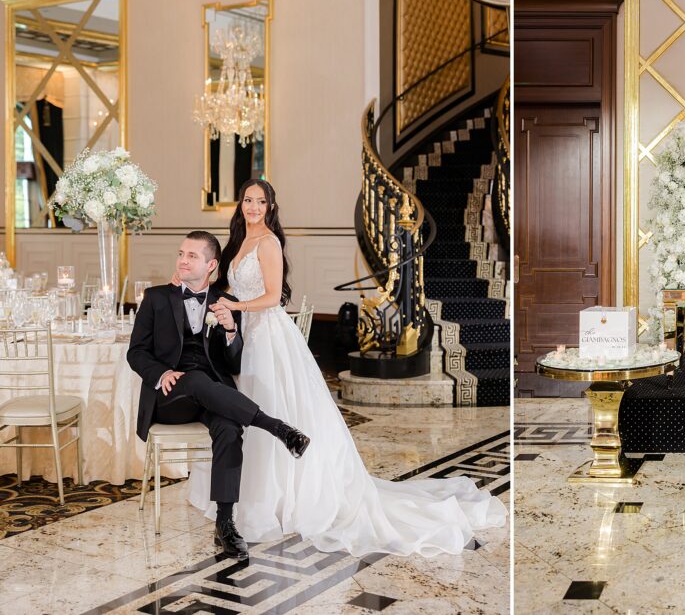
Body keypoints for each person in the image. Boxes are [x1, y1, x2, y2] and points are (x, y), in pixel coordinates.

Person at [186, 179, 506, 556]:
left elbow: (272, 297)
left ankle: (285, 496)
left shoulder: (269, 242)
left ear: (270, 206)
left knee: (272, 405)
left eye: (260, 201)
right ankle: (249, 491)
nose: (253, 207)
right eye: (247, 200)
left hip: (268, 336)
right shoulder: (240, 240)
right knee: (250, 409)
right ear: (240, 205)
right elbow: (230, 285)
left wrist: (235, 307)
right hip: (245, 335)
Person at [127, 231, 309, 561]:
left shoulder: (225, 303)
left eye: (192, 256)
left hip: (211, 397)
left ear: (211, 265)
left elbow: (234, 364)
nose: (182, 260)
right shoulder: (156, 298)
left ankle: (225, 524)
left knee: (229, 427)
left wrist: (230, 331)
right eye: (181, 253)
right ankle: (277, 427)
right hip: (170, 398)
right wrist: (161, 373)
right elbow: (136, 352)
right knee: (196, 379)